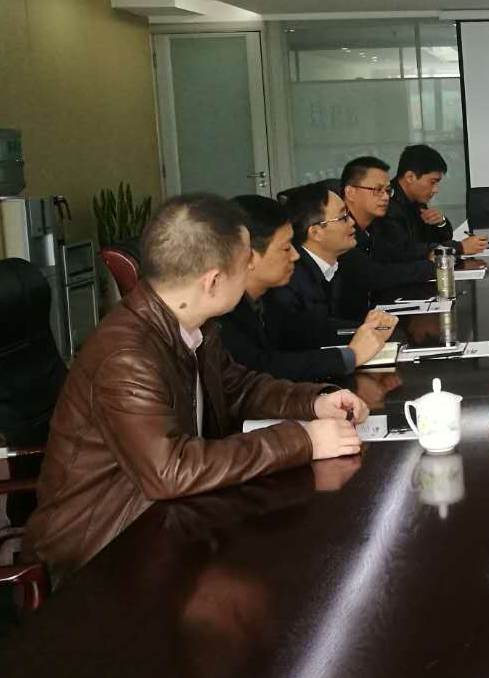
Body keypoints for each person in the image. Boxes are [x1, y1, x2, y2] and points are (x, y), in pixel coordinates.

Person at [26, 193, 368, 580]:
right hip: (102, 554)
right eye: (245, 261)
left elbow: (237, 388)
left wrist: (314, 402)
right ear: (213, 281)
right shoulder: (127, 355)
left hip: (170, 520)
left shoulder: (191, 326)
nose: (251, 268)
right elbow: (170, 469)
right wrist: (302, 440)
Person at [218, 195, 397, 381]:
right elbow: (263, 368)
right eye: (286, 248)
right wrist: (350, 356)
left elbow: (305, 331)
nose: (295, 255)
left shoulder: (265, 298)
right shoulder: (222, 315)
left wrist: (366, 330)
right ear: (248, 257)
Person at [337, 156, 435, 320]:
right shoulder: (339, 232)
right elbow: (374, 276)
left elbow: (399, 255)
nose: (385, 197)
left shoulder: (374, 227)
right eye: (377, 190)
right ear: (350, 192)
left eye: (388, 190)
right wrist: (431, 266)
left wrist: (436, 253)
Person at [266, 182, 362, 349]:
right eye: (343, 217)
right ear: (316, 232)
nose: (352, 222)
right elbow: (309, 337)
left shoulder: (338, 265)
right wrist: (364, 330)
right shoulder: (290, 280)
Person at [385, 144, 488, 257]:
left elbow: (437, 241)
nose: (436, 190)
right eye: (432, 182)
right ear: (410, 177)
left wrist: (441, 223)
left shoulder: (415, 201)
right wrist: (459, 247)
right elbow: (405, 251)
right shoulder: (385, 204)